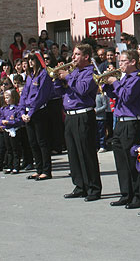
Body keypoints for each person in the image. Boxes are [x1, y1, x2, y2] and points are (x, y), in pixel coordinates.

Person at [56, 44, 102, 202]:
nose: (73, 58)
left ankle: (93, 188)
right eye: (73, 54)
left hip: (84, 115)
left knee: (86, 152)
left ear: (86, 57)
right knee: (73, 152)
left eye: (76, 54)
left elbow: (82, 89)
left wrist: (67, 77)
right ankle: (80, 185)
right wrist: (57, 78)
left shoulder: (91, 72)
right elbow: (60, 91)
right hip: (69, 115)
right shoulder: (74, 71)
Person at [103, 50, 140, 208]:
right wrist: (107, 83)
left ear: (133, 62)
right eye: (119, 61)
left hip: (132, 122)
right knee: (121, 161)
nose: (119, 64)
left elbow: (127, 97)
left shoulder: (137, 79)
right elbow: (114, 95)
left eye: (123, 61)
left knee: (132, 160)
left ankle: (138, 196)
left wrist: (114, 81)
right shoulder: (123, 78)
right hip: (120, 122)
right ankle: (126, 194)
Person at [20, 53, 53, 181]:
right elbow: (24, 95)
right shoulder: (29, 76)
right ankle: (38, 169)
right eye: (28, 60)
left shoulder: (43, 74)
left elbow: (41, 96)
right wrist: (22, 111)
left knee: (42, 141)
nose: (30, 62)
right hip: (28, 112)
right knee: (33, 142)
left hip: (39, 111)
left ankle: (46, 170)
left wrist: (30, 112)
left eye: (32, 59)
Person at [0, 89, 24, 174]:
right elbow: (1, 118)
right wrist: (2, 122)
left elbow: (19, 120)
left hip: (14, 130)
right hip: (7, 130)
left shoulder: (17, 108)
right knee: (8, 149)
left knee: (15, 149)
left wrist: (10, 122)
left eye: (8, 97)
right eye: (5, 98)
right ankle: (10, 166)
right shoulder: (5, 109)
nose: (6, 100)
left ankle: (16, 166)